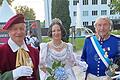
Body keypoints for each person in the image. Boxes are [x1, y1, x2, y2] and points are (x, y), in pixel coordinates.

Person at [0, 14, 40, 80]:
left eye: (22, 29)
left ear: (25, 31)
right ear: (9, 32)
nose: (19, 32)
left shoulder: (35, 52)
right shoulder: (1, 52)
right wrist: (13, 74)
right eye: (15, 29)